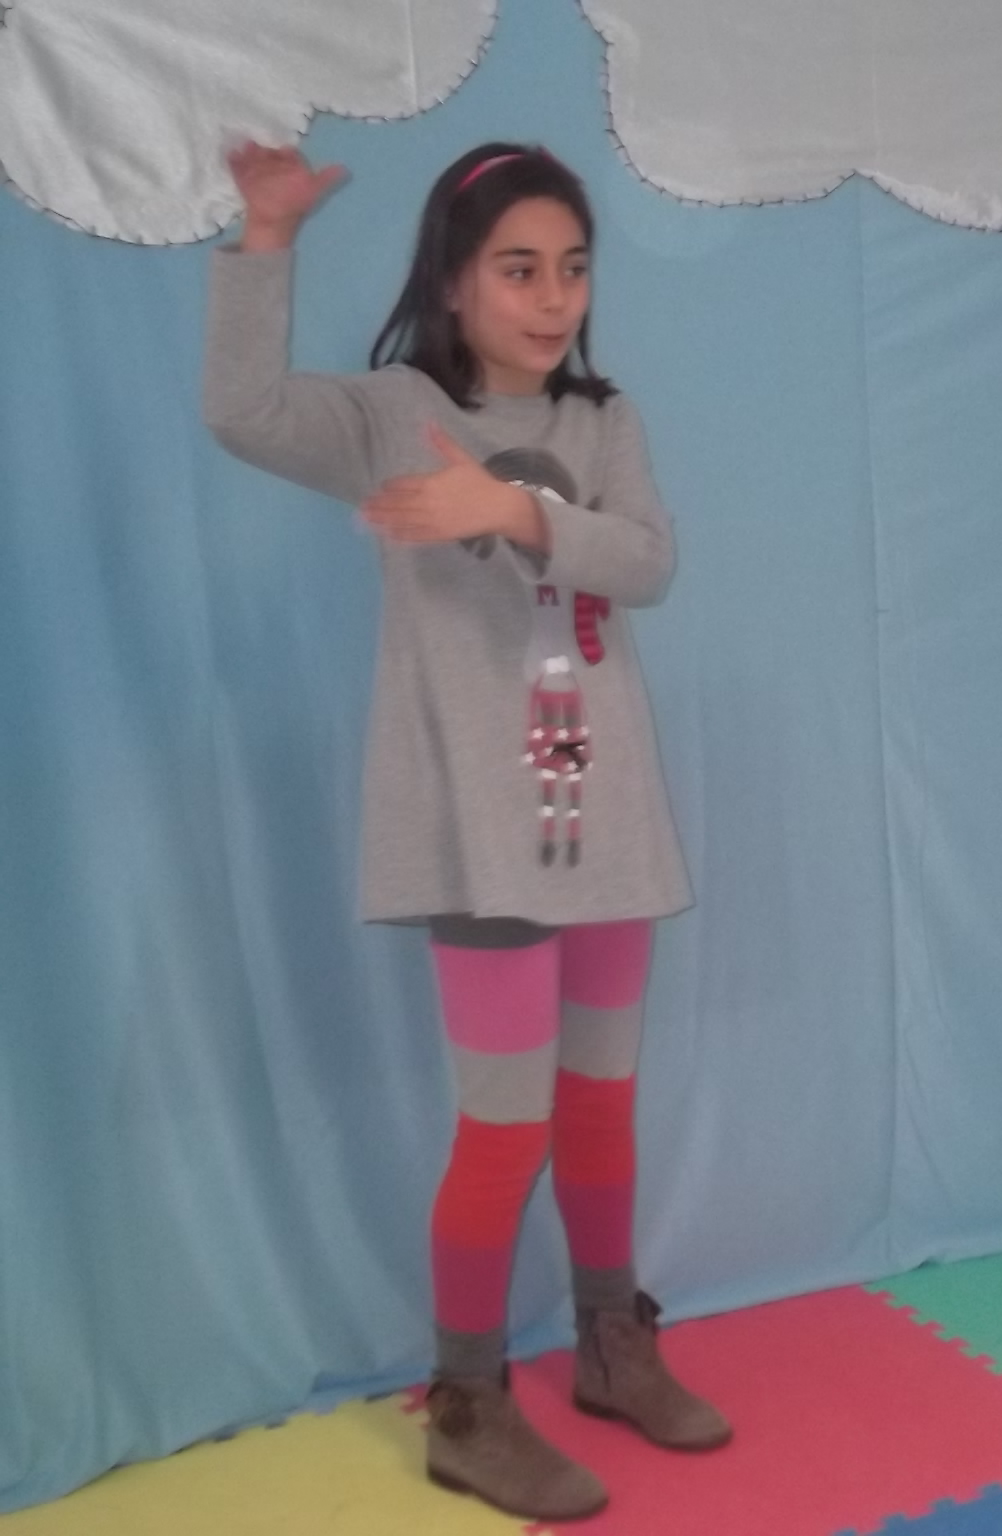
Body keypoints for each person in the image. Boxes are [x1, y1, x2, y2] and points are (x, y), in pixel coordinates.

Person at [205, 140, 728, 1522]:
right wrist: (266, 239)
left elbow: (649, 560)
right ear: (452, 279)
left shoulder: (604, 420)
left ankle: (612, 1343)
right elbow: (241, 412)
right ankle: (469, 1403)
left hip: (607, 824)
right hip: (483, 837)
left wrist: (512, 507)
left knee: (600, 1106)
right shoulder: (393, 411)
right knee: (505, 1131)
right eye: (518, 270)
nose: (553, 298)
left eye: (573, 269)